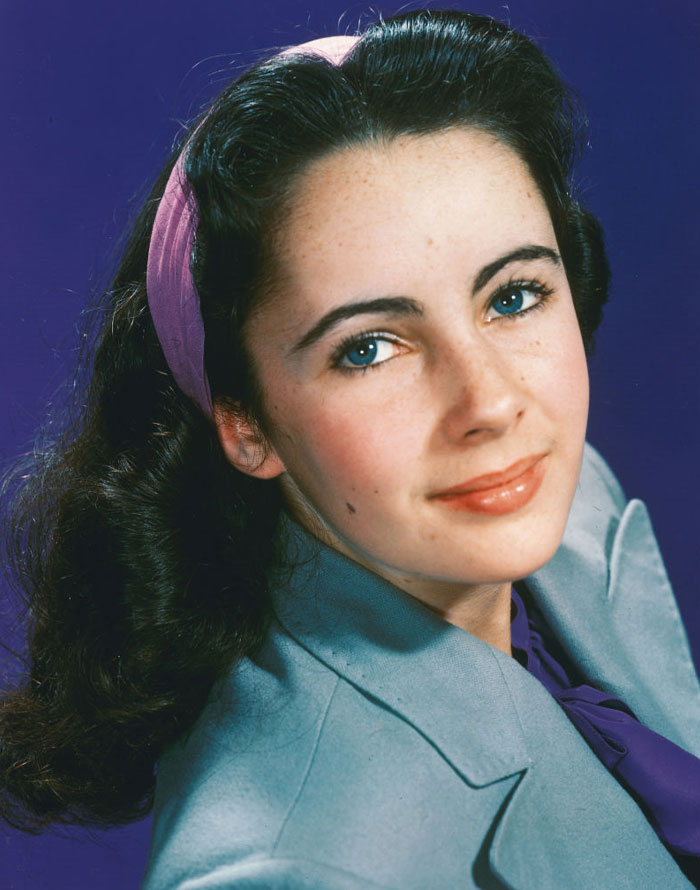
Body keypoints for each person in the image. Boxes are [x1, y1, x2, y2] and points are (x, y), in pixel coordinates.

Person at [1, 9, 699, 889]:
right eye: (368, 347)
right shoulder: (291, 870)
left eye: (515, 297)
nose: (490, 402)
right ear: (246, 424)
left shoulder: (538, 500)